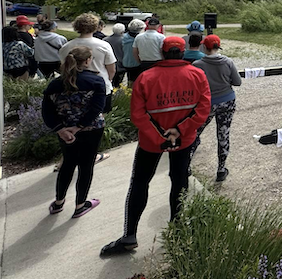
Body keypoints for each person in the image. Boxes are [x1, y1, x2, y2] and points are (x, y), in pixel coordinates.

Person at [100, 37, 211, 256]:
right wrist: (180, 130)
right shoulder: (197, 74)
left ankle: (129, 236)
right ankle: (177, 230)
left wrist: (159, 135)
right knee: (179, 181)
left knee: (140, 183)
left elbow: (137, 114)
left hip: (151, 142)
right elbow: (204, 107)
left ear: (161, 52)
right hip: (183, 139)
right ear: (183, 52)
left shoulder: (145, 77)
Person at [42, 46, 105, 218]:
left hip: (65, 131)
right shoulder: (95, 81)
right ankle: (80, 205)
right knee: (86, 165)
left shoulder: (55, 84)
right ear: (86, 61)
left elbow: (47, 112)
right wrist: (80, 126)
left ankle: (58, 203)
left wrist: (60, 130)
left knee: (68, 164)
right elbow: (98, 108)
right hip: (91, 129)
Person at [190, 35, 241, 182]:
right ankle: (221, 169)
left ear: (204, 47)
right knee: (223, 134)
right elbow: (237, 82)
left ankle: (186, 164)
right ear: (218, 47)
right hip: (227, 101)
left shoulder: (197, 64)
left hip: (207, 103)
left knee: (195, 132)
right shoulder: (228, 62)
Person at [59, 14, 116, 111]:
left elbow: (63, 67)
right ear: (95, 27)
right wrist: (108, 80)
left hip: (73, 86)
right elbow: (112, 70)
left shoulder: (67, 46)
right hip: (100, 86)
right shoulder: (104, 45)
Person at [122, 19, 145, 84]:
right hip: (137, 62)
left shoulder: (124, 37)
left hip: (126, 61)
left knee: (130, 79)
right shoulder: (139, 38)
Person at [104, 23, 127, 87]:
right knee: (118, 83)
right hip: (120, 65)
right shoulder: (124, 41)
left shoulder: (105, 40)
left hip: (108, 65)